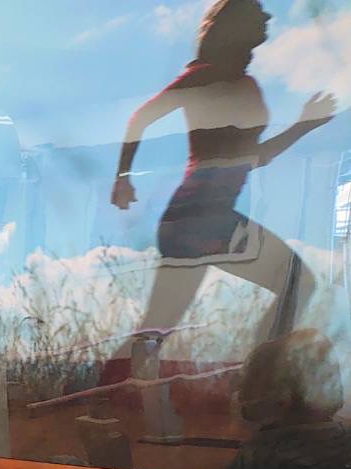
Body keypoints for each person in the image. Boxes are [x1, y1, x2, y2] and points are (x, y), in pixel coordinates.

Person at [108, 0, 336, 382]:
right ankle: (257, 380)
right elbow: (140, 118)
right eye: (257, 13)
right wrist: (122, 176)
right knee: (297, 280)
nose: (267, 17)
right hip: (200, 215)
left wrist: (304, 126)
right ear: (236, 25)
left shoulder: (242, 83)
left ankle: (98, 396)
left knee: (157, 326)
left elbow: (254, 157)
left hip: (200, 218)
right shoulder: (206, 75)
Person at [219, 328, 351, 469]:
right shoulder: (342, 447)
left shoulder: (260, 465)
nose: (239, 396)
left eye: (248, 386)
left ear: (282, 401)